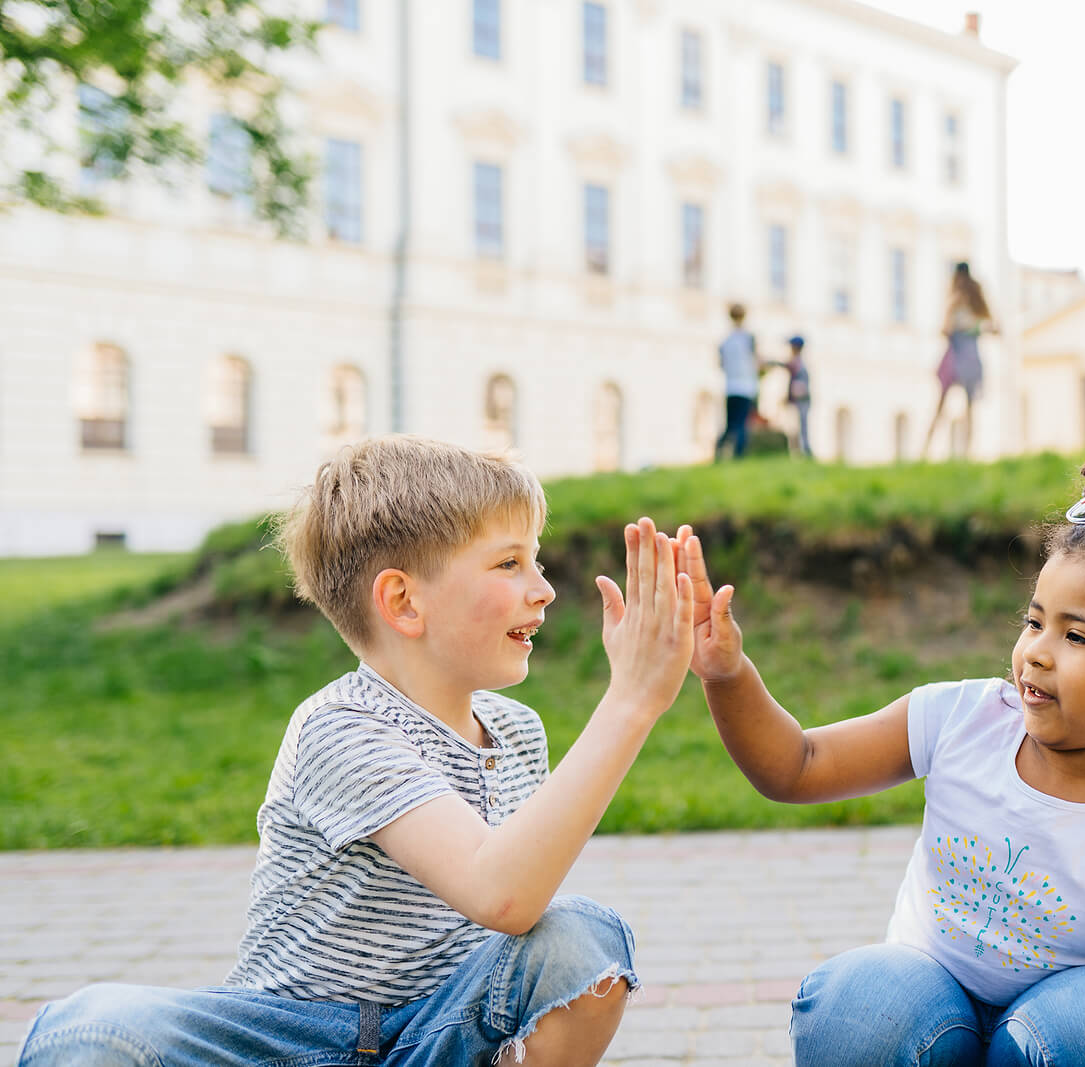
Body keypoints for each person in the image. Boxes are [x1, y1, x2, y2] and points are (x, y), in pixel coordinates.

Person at [20, 435, 695, 1067]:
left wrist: (635, 698)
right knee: (92, 1028)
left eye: (536, 559)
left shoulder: (518, 731)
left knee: (583, 940)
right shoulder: (339, 727)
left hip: (436, 1031)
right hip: (289, 1035)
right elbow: (501, 892)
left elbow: (517, 920)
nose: (543, 587)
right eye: (510, 562)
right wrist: (630, 701)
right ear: (403, 601)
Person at [675, 456, 1085, 1067]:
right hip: (921, 1017)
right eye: (1034, 622)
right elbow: (799, 764)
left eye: (1077, 636)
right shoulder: (961, 719)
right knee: (857, 1004)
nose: (1037, 653)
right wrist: (728, 674)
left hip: (1049, 1043)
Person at [922, 261, 997, 460]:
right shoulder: (967, 302)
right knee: (953, 405)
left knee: (962, 406)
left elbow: (946, 330)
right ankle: (929, 450)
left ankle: (963, 454)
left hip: (963, 356)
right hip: (961, 356)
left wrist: (972, 327)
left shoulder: (969, 302)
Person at [715, 302, 760, 459]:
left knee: (730, 424)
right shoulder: (749, 338)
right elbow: (757, 361)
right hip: (746, 386)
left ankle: (719, 451)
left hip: (730, 386)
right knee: (742, 424)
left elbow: (720, 363)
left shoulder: (726, 341)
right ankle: (738, 456)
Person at [769, 334, 812, 458]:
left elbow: (785, 366)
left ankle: (805, 451)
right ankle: (800, 451)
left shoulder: (798, 363)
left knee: (801, 427)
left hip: (801, 401)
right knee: (798, 427)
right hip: (798, 401)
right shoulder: (798, 363)